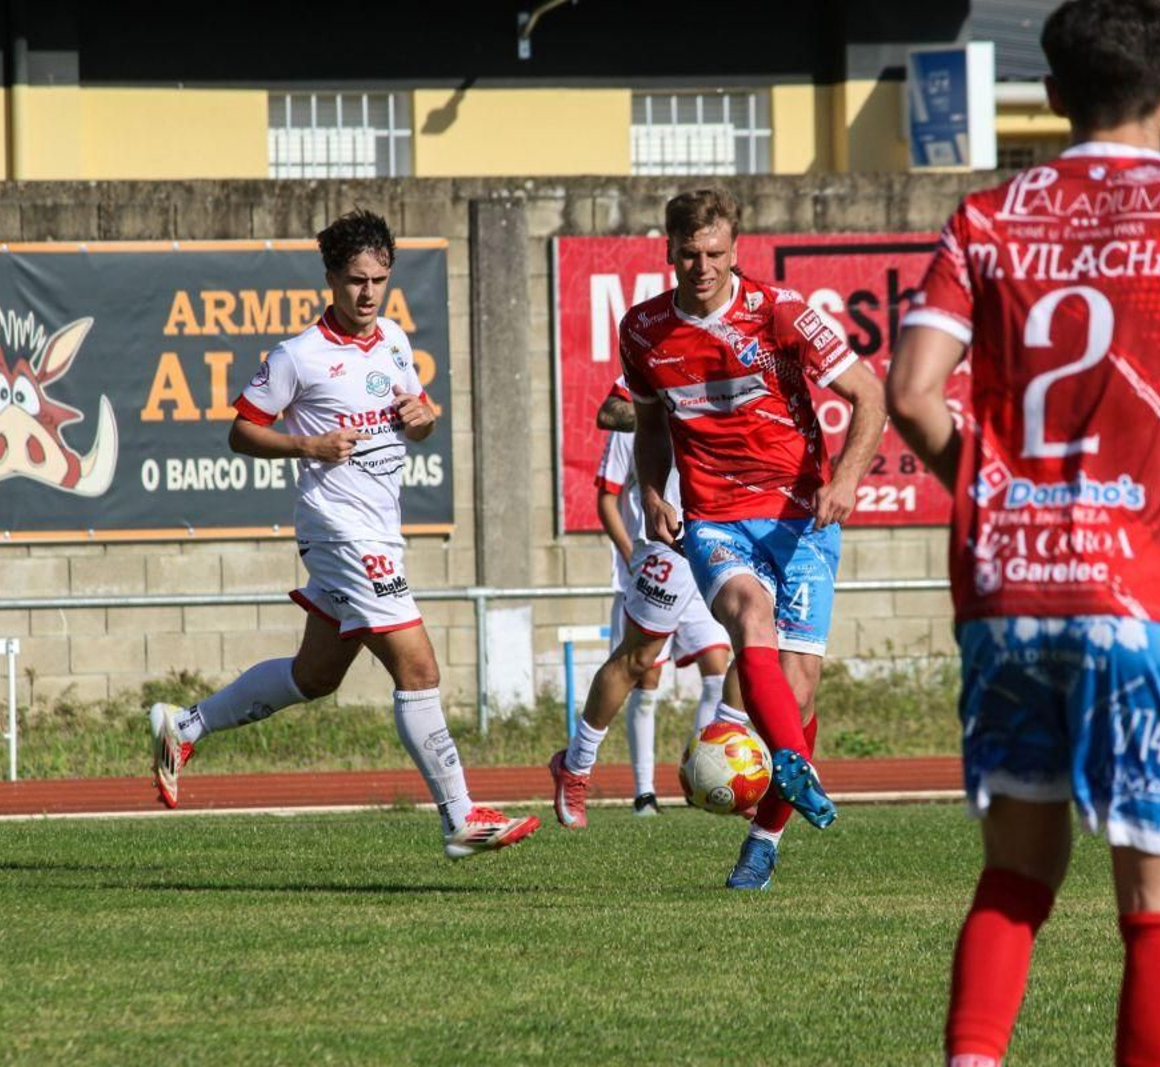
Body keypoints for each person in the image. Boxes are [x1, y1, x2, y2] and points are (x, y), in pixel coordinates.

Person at [887, 1, 1160, 1062]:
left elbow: (914, 394)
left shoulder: (984, 216)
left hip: (1011, 589)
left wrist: (998, 491)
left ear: (1051, 97)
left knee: (1014, 874)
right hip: (1144, 589)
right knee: (1157, 897)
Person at [148, 208, 540, 861]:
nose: (368, 293)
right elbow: (240, 430)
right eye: (356, 279)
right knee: (418, 664)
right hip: (339, 530)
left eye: (379, 279)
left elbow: (416, 422)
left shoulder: (391, 338)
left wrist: (423, 418)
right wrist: (308, 442)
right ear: (331, 277)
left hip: (379, 530)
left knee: (316, 674)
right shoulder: (298, 357)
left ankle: (184, 724)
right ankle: (460, 816)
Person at [613, 188, 887, 890]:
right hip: (713, 515)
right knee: (745, 610)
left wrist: (847, 478)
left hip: (800, 515)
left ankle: (763, 840)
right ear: (668, 251)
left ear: (735, 250)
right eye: (687, 254)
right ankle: (794, 764)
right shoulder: (643, 329)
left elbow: (870, 395)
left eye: (713, 254)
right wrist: (650, 490)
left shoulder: (780, 312)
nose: (701, 267)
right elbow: (649, 423)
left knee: (795, 693)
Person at [548, 378, 739, 825]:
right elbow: (611, 413)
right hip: (672, 536)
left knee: (748, 648)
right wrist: (676, 408)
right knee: (639, 661)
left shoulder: (750, 341)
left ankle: (716, 770)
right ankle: (576, 768)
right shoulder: (663, 346)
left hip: (733, 528)